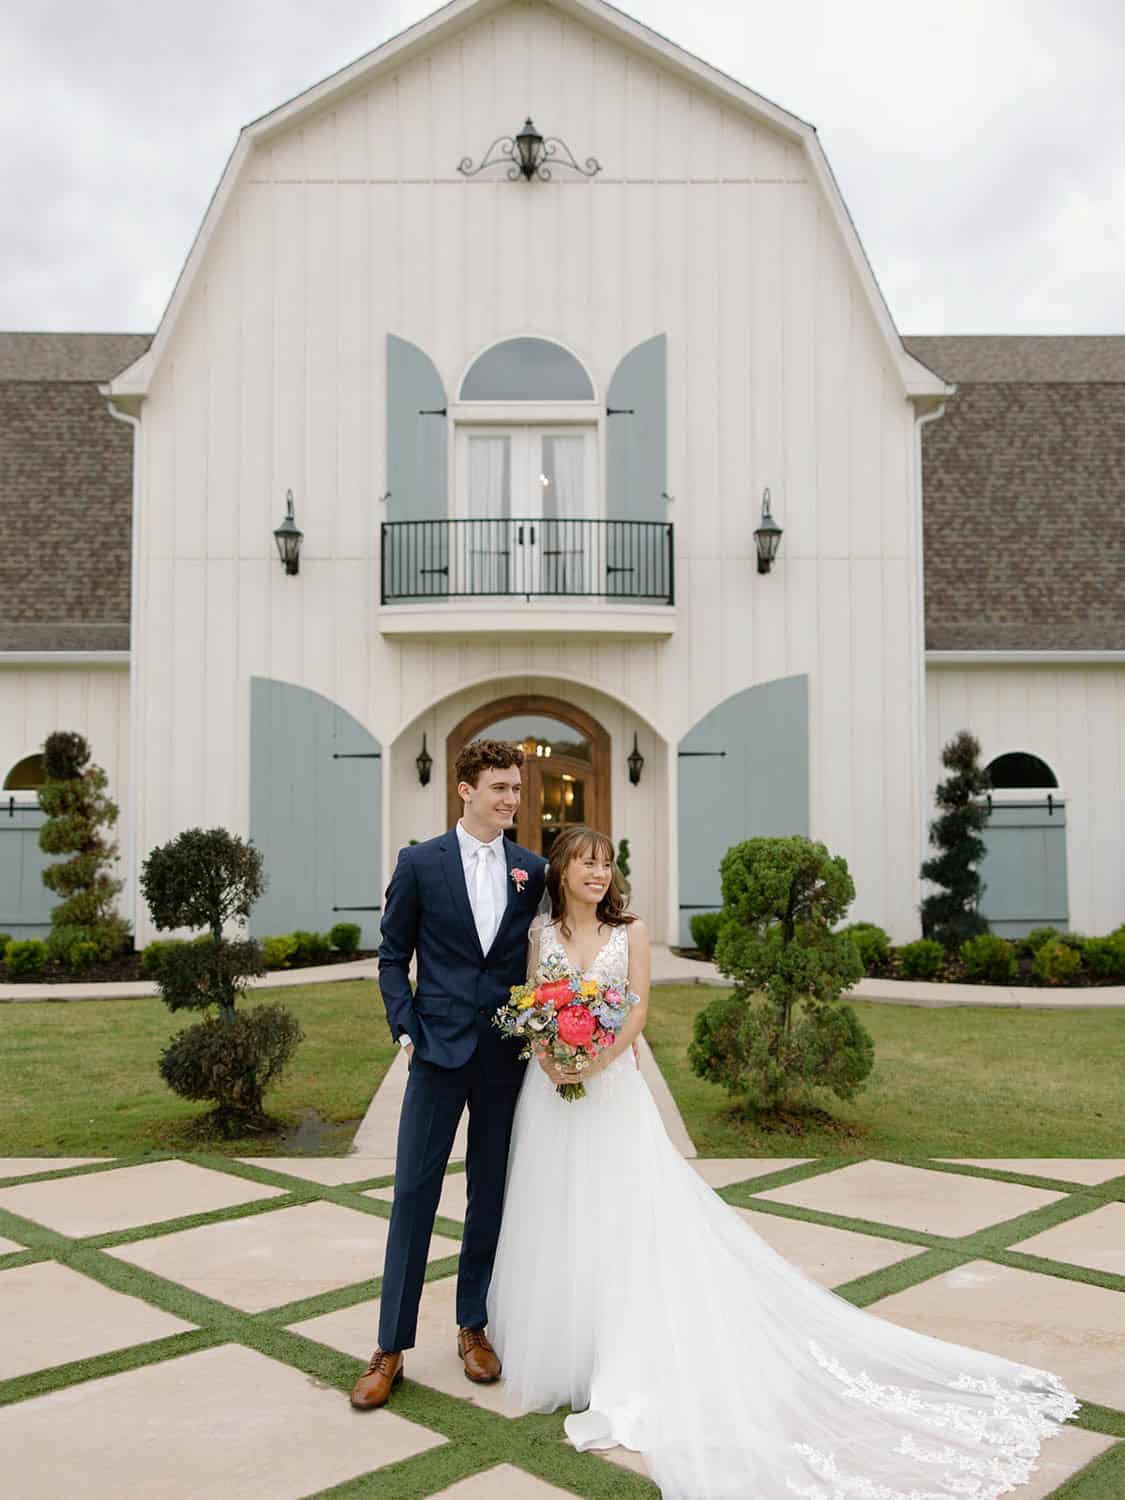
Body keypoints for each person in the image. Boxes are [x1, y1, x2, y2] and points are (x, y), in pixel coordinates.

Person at [487, 824, 1080, 1500]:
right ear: (561, 871)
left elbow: (638, 1011)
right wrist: (549, 1055)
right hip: (552, 1095)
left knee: (624, 1218)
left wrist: (595, 1060)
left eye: (605, 865)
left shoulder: (631, 932)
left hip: (612, 1089)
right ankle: (568, 1352)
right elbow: (532, 1002)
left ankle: (621, 1351)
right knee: (558, 1211)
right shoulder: (541, 935)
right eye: (585, 864)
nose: (598, 874)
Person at [350, 738, 546, 1410]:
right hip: (435, 1051)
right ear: (465, 790)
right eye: (499, 788)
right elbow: (390, 955)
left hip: (503, 1056)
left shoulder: (531, 870)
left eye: (516, 789)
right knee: (413, 1193)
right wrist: (405, 1027)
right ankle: (390, 1346)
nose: (511, 800)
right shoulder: (419, 863)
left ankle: (473, 1326)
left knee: (488, 1192)